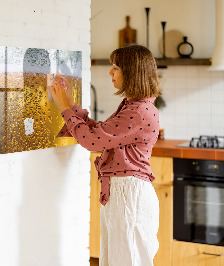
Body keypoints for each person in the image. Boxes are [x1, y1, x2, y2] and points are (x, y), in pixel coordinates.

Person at [49, 44, 161, 266]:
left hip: (129, 195)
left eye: (116, 67)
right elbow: (100, 134)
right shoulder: (134, 106)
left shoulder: (138, 111)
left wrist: (64, 107)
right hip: (124, 193)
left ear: (132, 72)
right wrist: (71, 104)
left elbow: (92, 141)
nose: (110, 72)